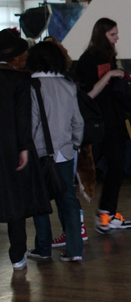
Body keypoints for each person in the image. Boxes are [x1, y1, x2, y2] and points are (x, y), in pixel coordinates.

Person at [26, 41, 85, 263]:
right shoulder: (68, 85)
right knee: (68, 200)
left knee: (40, 202)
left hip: (40, 154)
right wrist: (74, 144)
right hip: (65, 152)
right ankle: (75, 249)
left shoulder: (32, 85)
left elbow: (32, 124)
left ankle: (43, 248)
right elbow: (78, 122)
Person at [77, 18, 131, 234]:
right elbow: (88, 95)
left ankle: (106, 216)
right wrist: (110, 75)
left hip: (115, 122)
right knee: (85, 171)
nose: (117, 38)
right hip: (96, 124)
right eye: (113, 34)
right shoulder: (87, 60)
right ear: (102, 35)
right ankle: (75, 223)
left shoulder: (110, 57)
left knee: (118, 168)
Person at [0, 29, 52, 271]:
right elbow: (24, 120)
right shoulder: (20, 80)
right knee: (14, 201)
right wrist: (23, 148)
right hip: (11, 147)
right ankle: (17, 255)